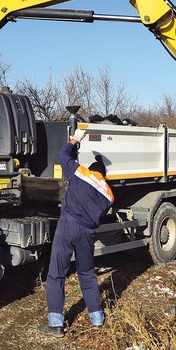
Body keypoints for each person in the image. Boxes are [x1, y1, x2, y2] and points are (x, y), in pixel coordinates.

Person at [39, 128, 114, 337]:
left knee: (56, 273)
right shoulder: (109, 194)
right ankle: (97, 318)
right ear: (104, 175)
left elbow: (62, 156)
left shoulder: (82, 173)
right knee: (87, 273)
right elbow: (100, 218)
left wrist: (74, 141)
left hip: (68, 225)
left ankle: (56, 324)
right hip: (87, 233)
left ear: (92, 169)